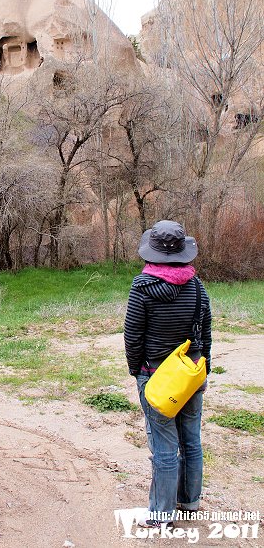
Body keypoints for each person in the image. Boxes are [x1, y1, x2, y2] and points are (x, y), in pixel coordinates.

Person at [124, 220, 212, 529]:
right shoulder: (197, 287)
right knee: (191, 440)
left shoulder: (141, 288)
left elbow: (132, 337)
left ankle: (161, 515)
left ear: (152, 254)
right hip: (191, 374)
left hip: (156, 376)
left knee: (163, 447)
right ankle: (189, 503)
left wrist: (137, 371)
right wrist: (204, 370)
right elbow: (207, 334)